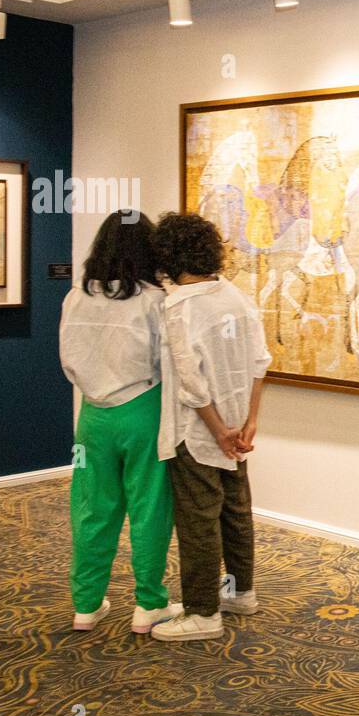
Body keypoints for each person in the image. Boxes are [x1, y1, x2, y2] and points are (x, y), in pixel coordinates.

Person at [150, 213, 270, 642]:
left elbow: (191, 383)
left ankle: (203, 612)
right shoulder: (235, 295)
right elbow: (260, 361)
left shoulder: (180, 307)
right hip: (238, 427)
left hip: (199, 432)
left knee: (199, 519)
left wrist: (218, 429)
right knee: (235, 510)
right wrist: (249, 422)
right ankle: (240, 590)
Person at [60, 210, 180, 633]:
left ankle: (86, 605)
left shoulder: (77, 296)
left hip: (92, 416)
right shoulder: (155, 300)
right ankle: (149, 605)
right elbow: (169, 362)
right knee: (149, 509)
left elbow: (69, 363)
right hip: (144, 409)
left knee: (92, 509)